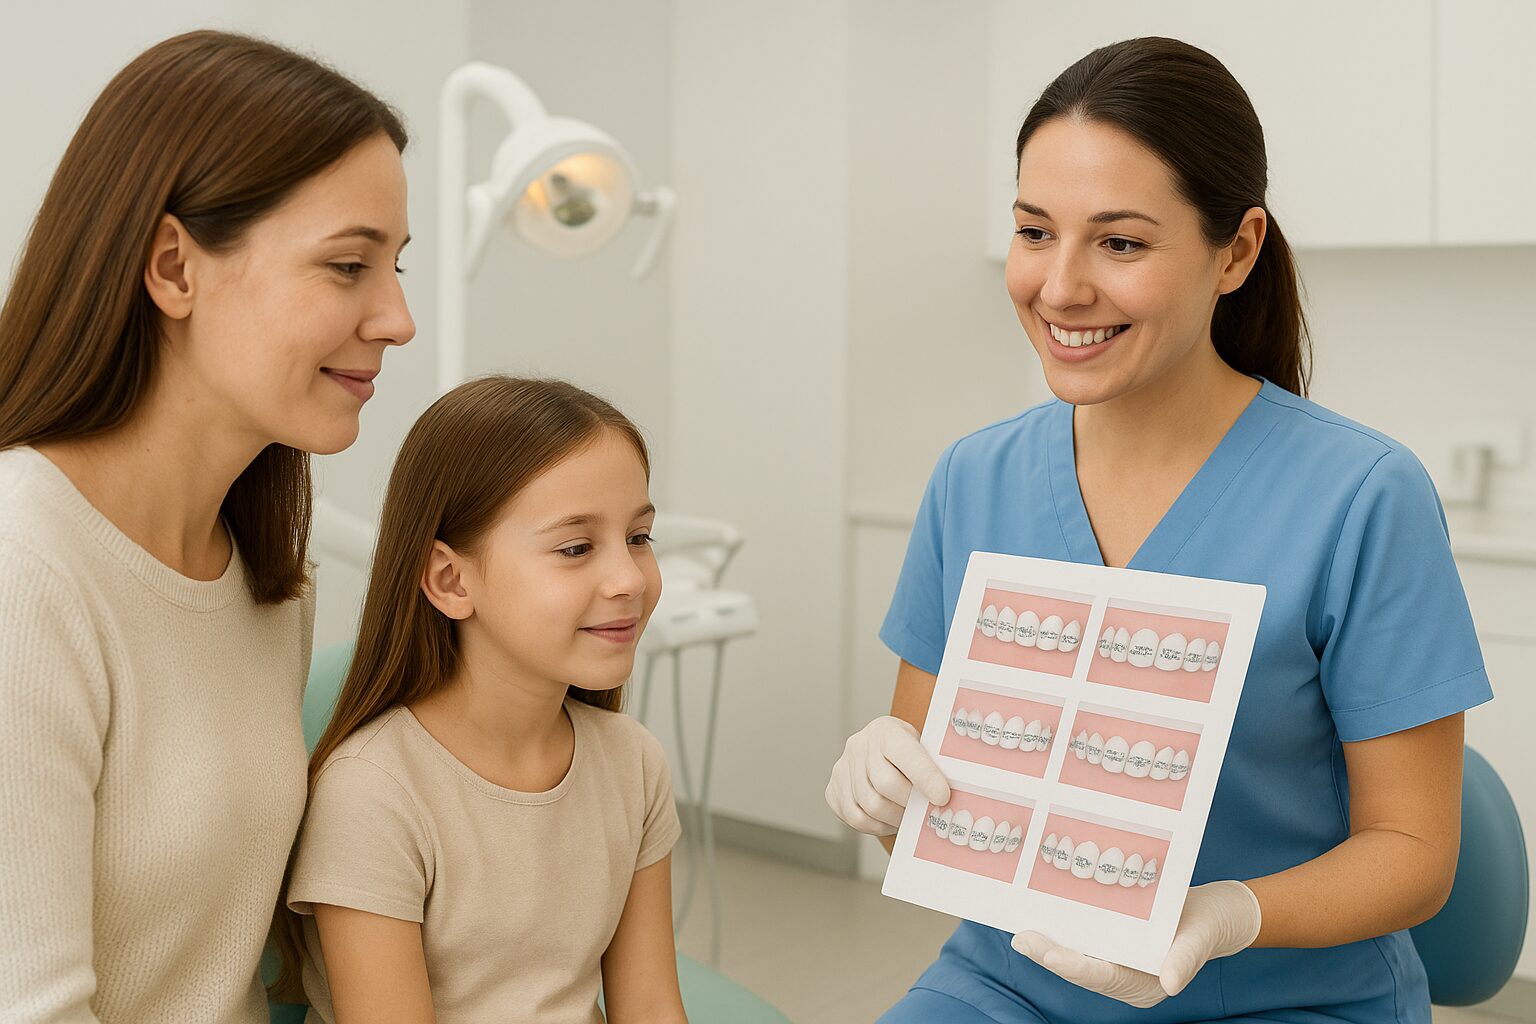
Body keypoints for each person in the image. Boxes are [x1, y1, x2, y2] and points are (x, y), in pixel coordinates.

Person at [825, 37, 1490, 1024]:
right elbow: (945, 821)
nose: (1059, 288)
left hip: (1285, 1003)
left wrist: (1224, 914)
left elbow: (1416, 856)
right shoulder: (975, 479)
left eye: (1121, 243)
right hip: (1012, 985)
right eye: (1034, 231)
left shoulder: (1360, 495)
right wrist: (888, 794)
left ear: (1238, 250)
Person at [0, 31, 414, 1022]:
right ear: (175, 268)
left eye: (396, 267)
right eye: (350, 265)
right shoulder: (25, 575)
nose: (397, 317)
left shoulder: (265, 579)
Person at [279, 376, 686, 1024]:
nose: (629, 579)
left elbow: (651, 1007)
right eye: (576, 547)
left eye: (639, 538)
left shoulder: (633, 763)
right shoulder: (373, 795)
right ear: (450, 579)